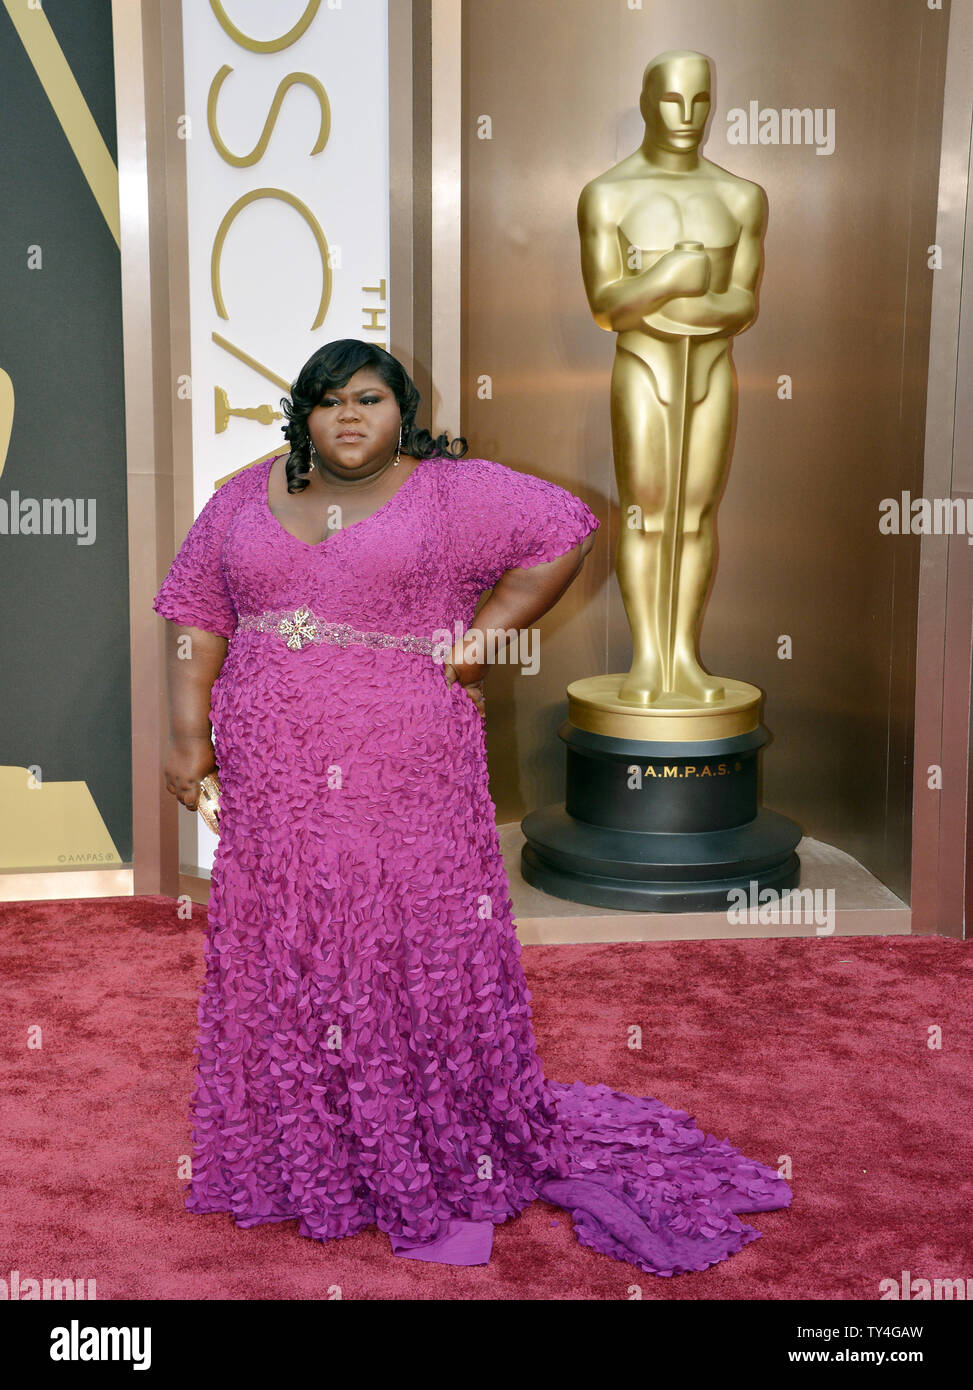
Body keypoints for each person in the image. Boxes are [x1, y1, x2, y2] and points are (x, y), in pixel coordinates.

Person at [154, 338, 792, 1276]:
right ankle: (307, 1141)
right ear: (303, 414)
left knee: (401, 930)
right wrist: (184, 739)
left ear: (399, 410)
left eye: (368, 399)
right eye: (327, 402)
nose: (348, 418)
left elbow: (566, 527)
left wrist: (485, 636)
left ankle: (419, 1136)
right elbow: (194, 614)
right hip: (274, 762)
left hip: (403, 752)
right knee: (293, 932)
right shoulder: (244, 494)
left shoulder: (449, 490)